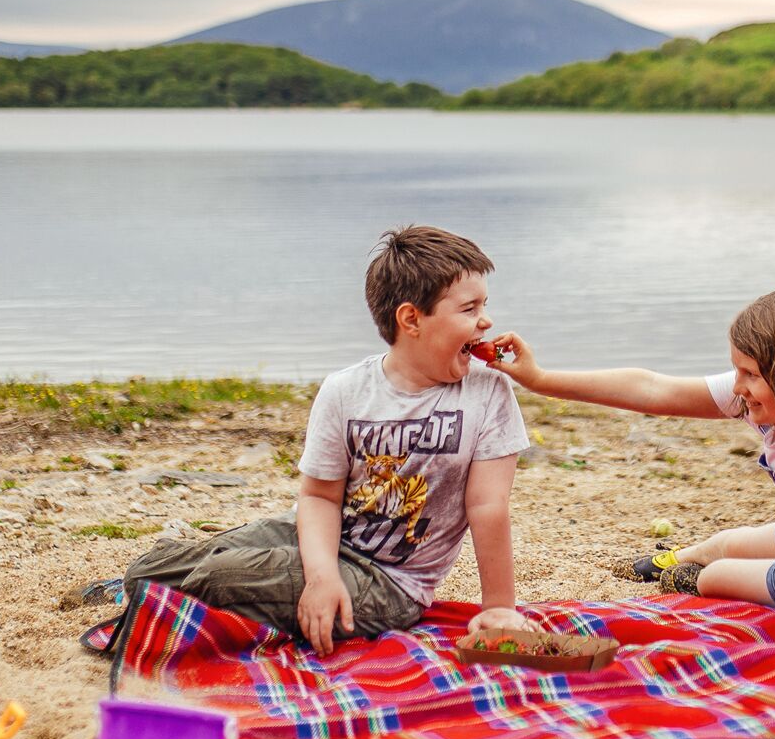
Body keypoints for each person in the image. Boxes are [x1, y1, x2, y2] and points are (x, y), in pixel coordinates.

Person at [109, 225, 533, 653]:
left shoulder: (486, 392)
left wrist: (499, 606)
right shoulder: (345, 390)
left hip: (386, 582)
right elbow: (320, 498)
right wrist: (321, 575)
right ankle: (174, 592)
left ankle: (191, 597)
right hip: (316, 537)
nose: (486, 321)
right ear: (411, 319)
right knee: (147, 571)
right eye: (469, 308)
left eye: (485, 305)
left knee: (218, 577)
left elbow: (487, 505)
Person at [490, 285, 775, 650]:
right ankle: (683, 555)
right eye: (737, 372)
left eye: (749, 374)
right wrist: (541, 380)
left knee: (723, 574)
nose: (738, 387)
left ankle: (696, 576)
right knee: (727, 541)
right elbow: (652, 390)